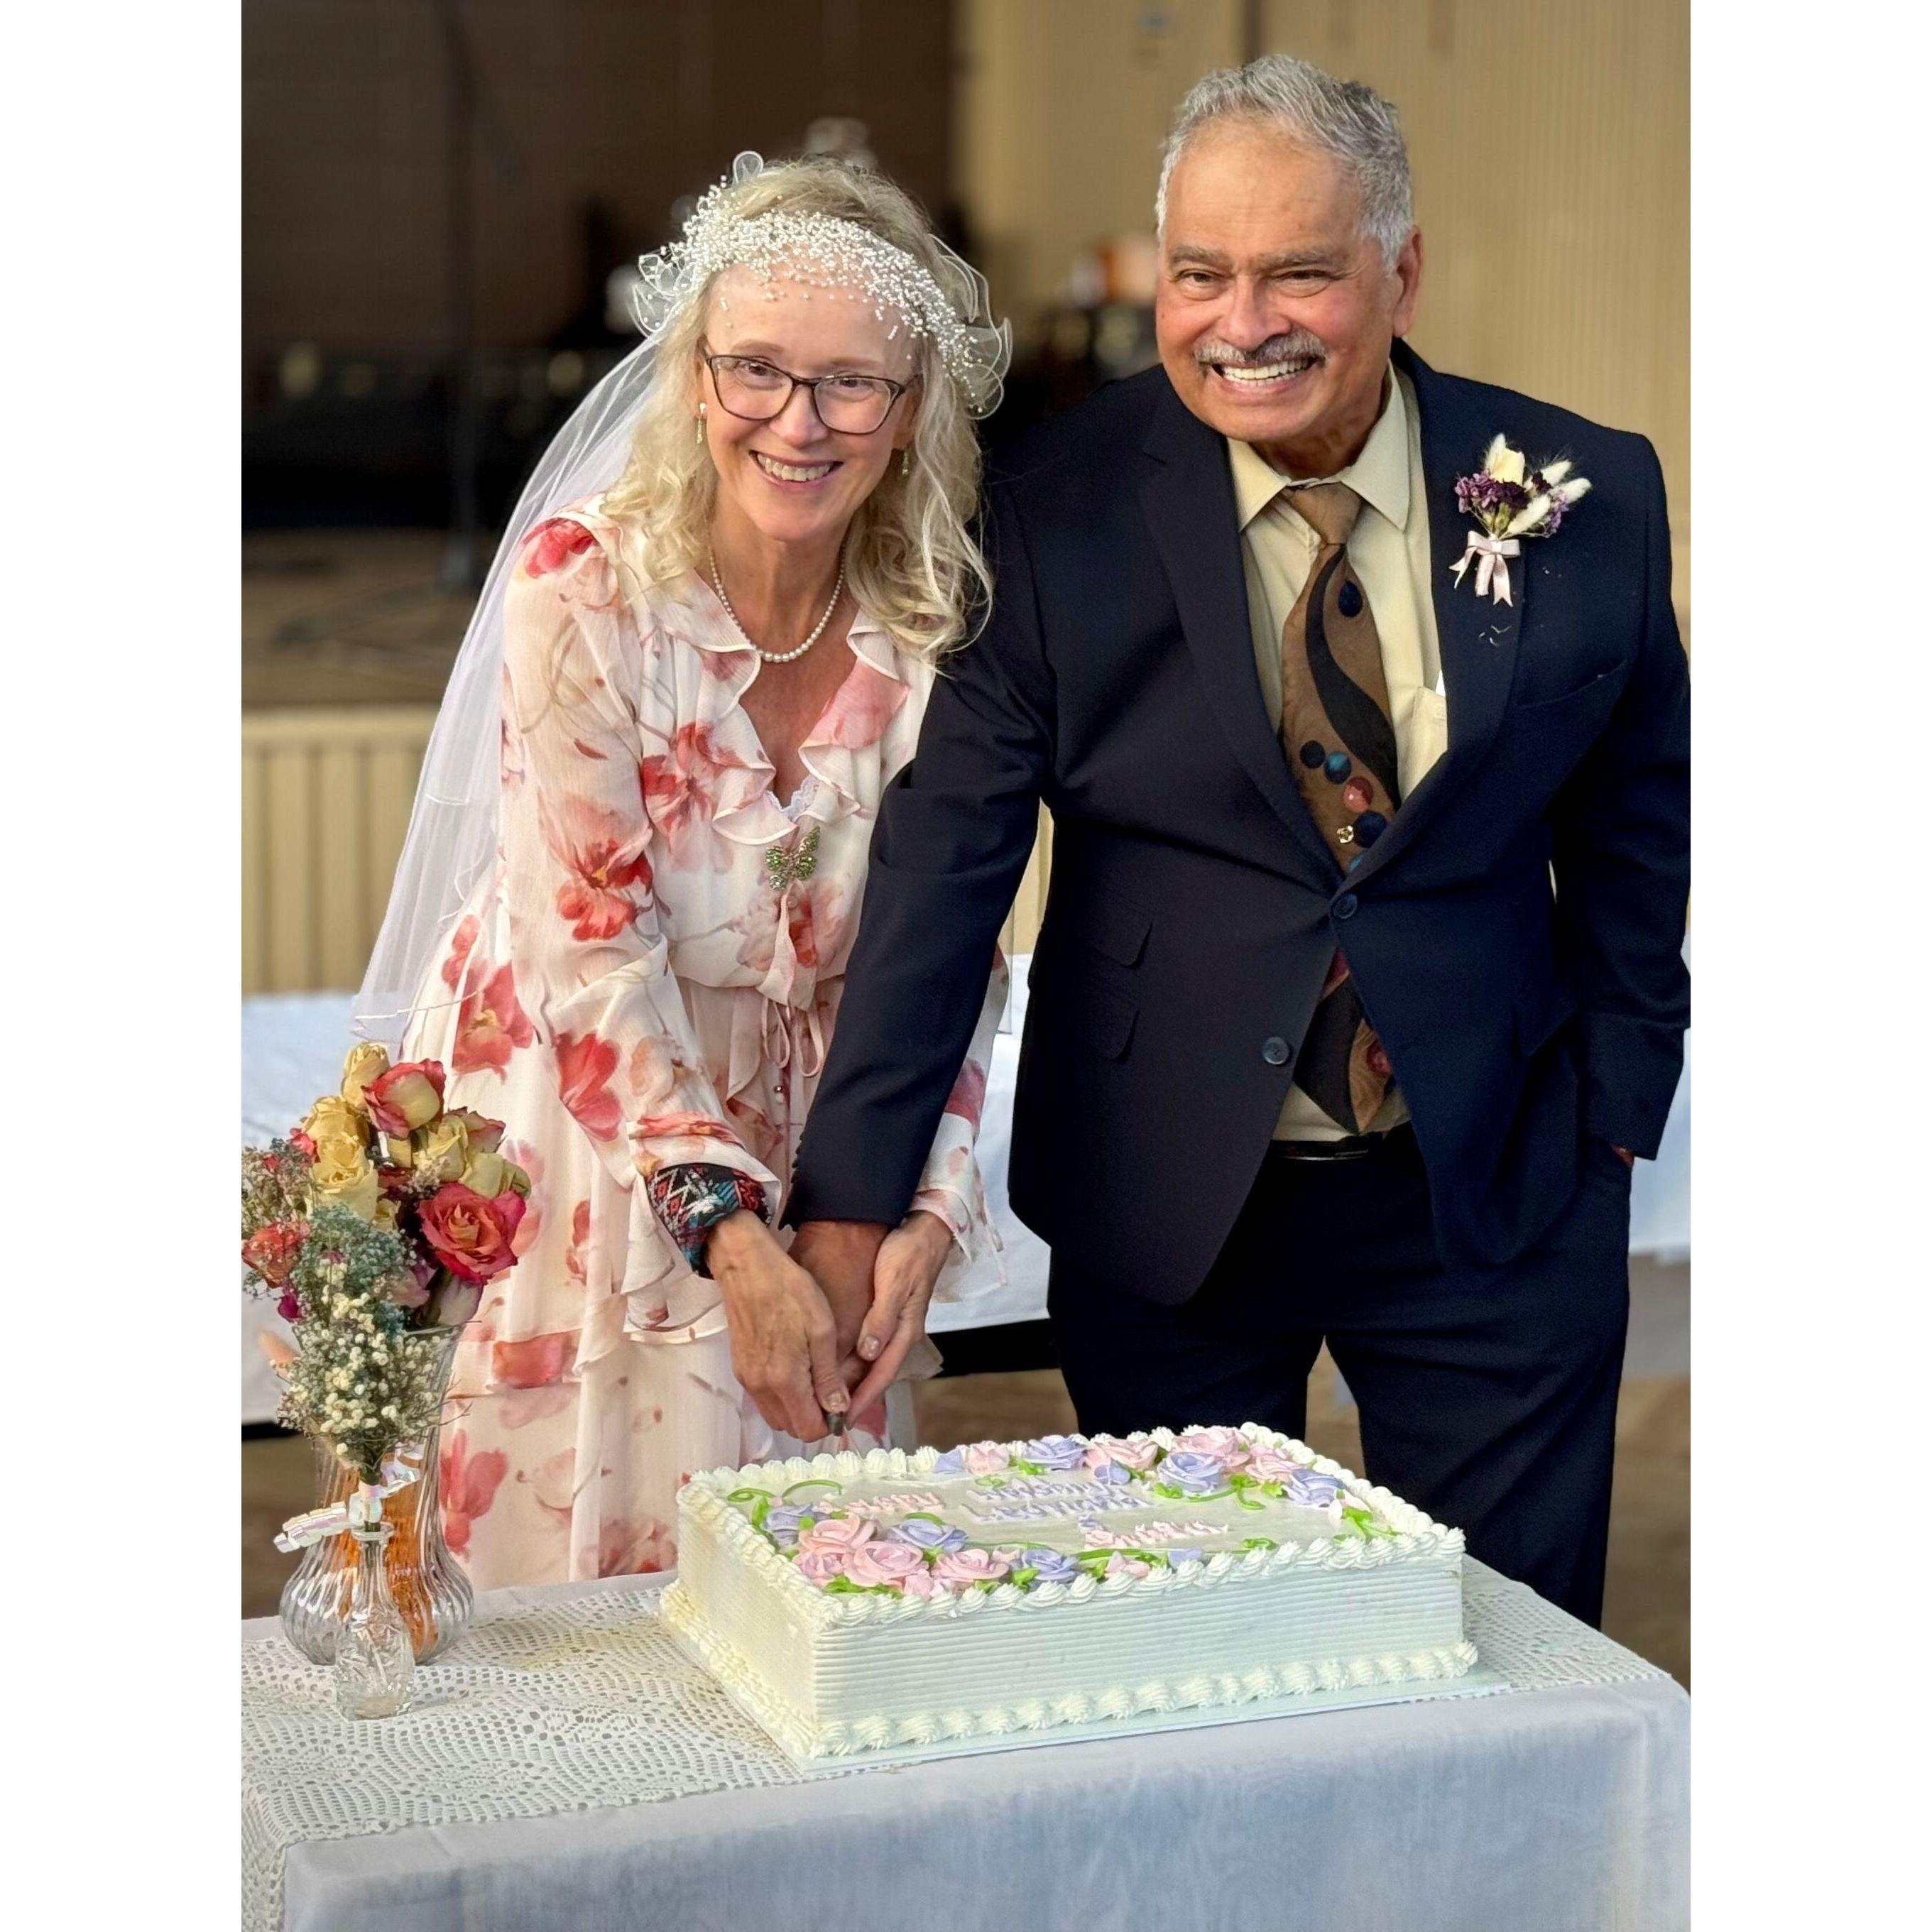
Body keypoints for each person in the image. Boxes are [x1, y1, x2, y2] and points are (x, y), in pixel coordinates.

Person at [787, 56, 1690, 1628]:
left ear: (1399, 271)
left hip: (1498, 1184)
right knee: (1194, 1658)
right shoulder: (1046, 505)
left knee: (1504, 1648)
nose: (1239, 319)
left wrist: (1614, 1111)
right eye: (1199, 273)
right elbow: (948, 865)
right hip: (1165, 1196)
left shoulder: (1581, 494)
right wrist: (849, 1196)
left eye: (1298, 271)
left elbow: (1633, 824)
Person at [354, 154, 1012, 1587]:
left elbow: (953, 948)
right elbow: (587, 949)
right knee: (572, 1588)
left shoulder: (939, 625)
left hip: (823, 1137)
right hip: (585, 1120)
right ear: (692, 372)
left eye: (851, 384)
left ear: (908, 413)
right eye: (756, 370)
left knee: (801, 1600)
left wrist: (919, 1209)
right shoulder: (584, 589)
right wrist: (726, 1232)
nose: (798, 420)